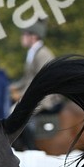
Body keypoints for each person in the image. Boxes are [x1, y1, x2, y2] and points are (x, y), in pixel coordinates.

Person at [9, 19, 56, 149]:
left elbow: (41, 80)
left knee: (13, 112)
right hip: (33, 92)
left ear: (33, 36)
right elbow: (26, 79)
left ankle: (30, 148)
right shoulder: (33, 52)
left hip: (45, 96)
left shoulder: (43, 54)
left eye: (25, 34)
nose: (22, 38)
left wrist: (21, 94)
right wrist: (12, 87)